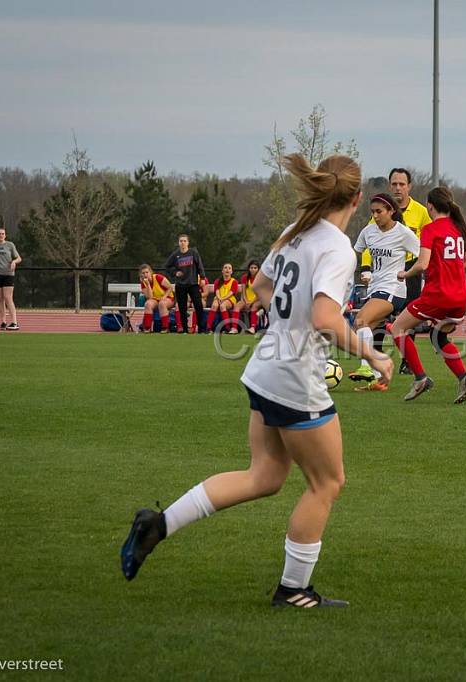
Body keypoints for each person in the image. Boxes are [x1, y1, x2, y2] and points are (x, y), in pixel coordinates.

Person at [121, 153, 393, 608]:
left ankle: (159, 523)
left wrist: (288, 323)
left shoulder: (294, 232)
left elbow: (260, 289)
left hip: (265, 367)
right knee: (327, 483)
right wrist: (373, 354)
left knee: (264, 475)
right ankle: (293, 590)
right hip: (294, 377)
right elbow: (326, 317)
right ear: (359, 198)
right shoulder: (337, 248)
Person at [390, 186, 466, 404]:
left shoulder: (430, 229)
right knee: (438, 336)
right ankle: (464, 377)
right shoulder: (460, 229)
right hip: (460, 296)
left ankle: (420, 378)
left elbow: (422, 264)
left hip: (438, 294)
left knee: (398, 328)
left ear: (430, 205)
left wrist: (404, 273)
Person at [360, 168, 433, 373]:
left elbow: (428, 242)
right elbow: (369, 244)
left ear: (409, 186)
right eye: (394, 184)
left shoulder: (420, 212)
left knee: (408, 317)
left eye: (402, 184)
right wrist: (366, 268)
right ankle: (376, 359)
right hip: (385, 272)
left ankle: (407, 362)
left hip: (411, 270)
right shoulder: (379, 212)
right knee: (378, 319)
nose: (398, 188)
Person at [348, 193, 420, 391]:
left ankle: (367, 369)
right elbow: (358, 252)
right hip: (375, 288)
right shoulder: (368, 231)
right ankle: (379, 377)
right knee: (365, 328)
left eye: (379, 211)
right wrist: (364, 271)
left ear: (391, 211)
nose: (375, 215)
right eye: (372, 212)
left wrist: (407, 273)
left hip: (393, 290)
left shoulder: (403, 233)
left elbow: (424, 257)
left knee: (361, 321)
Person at [164, 234, 207, 334]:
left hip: (193, 284)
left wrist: (203, 277)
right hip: (180, 285)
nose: (182, 243)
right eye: (181, 241)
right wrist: (175, 273)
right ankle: (184, 329)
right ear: (178, 243)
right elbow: (167, 266)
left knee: (198, 306)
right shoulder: (175, 255)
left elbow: (200, 265)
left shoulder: (193, 253)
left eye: (184, 241)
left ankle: (201, 329)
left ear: (188, 242)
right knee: (182, 307)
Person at [138, 264, 176, 333]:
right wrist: (148, 285)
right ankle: (147, 327)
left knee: (162, 303)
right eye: (143, 273)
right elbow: (150, 297)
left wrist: (164, 297)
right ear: (141, 274)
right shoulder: (143, 283)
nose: (145, 274)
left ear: (151, 272)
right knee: (148, 304)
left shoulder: (158, 277)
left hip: (168, 298)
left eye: (147, 272)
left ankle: (165, 327)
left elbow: (170, 288)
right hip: (155, 299)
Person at [209, 263, 240, 334]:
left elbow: (231, 293)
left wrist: (223, 299)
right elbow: (217, 291)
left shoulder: (234, 281)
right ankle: (208, 328)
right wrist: (219, 298)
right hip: (219, 298)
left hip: (229, 299)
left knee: (222, 306)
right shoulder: (217, 281)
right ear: (222, 270)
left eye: (229, 268)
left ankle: (227, 328)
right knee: (214, 306)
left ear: (231, 271)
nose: (227, 269)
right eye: (225, 268)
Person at [236, 260, 264, 334]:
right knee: (237, 306)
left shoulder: (261, 278)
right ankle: (234, 328)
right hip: (247, 300)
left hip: (258, 300)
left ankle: (253, 328)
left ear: (258, 269)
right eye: (251, 267)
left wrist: (251, 303)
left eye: (255, 268)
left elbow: (259, 294)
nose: (253, 269)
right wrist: (246, 301)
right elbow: (243, 292)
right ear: (249, 268)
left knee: (254, 306)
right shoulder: (245, 277)